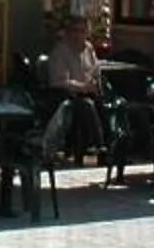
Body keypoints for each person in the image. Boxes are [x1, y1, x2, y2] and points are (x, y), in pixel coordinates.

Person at [43, 11, 107, 156]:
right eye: (74, 31)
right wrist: (82, 87)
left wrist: (95, 83)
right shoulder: (60, 51)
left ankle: (116, 145)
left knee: (111, 102)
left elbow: (95, 70)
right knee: (87, 105)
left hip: (87, 91)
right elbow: (59, 81)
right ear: (67, 32)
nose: (78, 35)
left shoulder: (88, 48)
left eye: (82, 31)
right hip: (66, 95)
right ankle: (100, 146)